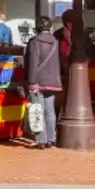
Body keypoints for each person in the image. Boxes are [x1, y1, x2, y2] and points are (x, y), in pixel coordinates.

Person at [21, 17, 63, 148]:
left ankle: (41, 140)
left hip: (38, 80)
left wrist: (31, 81)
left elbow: (32, 62)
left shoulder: (35, 42)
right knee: (50, 110)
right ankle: (51, 138)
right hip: (53, 80)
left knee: (38, 110)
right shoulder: (56, 42)